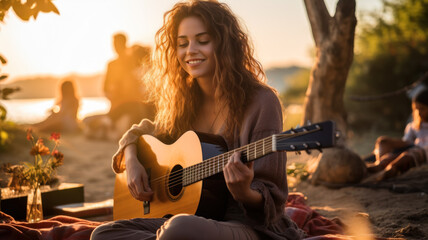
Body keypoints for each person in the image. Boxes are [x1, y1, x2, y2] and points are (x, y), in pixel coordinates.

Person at [91, 1, 305, 240]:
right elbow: (141, 131)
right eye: (182, 43)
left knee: (179, 229)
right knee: (103, 233)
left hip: (249, 226)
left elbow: (272, 203)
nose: (190, 50)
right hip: (191, 219)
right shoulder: (185, 102)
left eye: (202, 41)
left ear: (225, 44)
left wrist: (244, 192)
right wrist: (131, 160)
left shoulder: (262, 102)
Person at [365, 88, 428, 181]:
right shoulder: (414, 126)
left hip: (422, 152)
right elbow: (406, 142)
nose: (419, 113)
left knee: (407, 156)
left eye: (422, 109)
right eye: (417, 109)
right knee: (383, 142)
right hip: (412, 148)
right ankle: (381, 164)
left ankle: (388, 170)